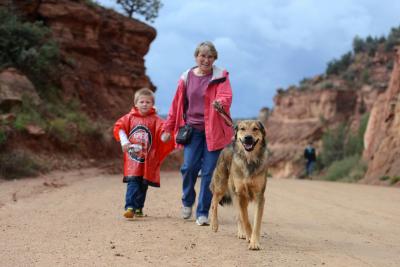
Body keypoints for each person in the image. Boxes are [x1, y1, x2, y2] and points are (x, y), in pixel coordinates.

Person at [161, 41, 234, 226]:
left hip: (214, 131)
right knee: (189, 168)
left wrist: (220, 103)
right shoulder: (186, 77)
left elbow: (225, 96)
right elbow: (176, 104)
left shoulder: (221, 76)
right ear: (196, 57)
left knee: (209, 173)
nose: (206, 60)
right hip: (192, 130)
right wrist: (168, 128)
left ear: (214, 58)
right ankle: (187, 201)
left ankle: (202, 212)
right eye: (202, 55)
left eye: (210, 56)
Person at [113, 88, 174, 219]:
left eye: (148, 102)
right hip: (132, 160)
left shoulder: (156, 119)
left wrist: (165, 136)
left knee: (143, 184)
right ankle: (130, 207)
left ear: (153, 104)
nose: (145, 104)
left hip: (148, 159)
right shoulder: (129, 118)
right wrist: (124, 141)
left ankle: (139, 207)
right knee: (133, 181)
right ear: (136, 104)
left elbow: (162, 132)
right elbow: (120, 128)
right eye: (142, 102)